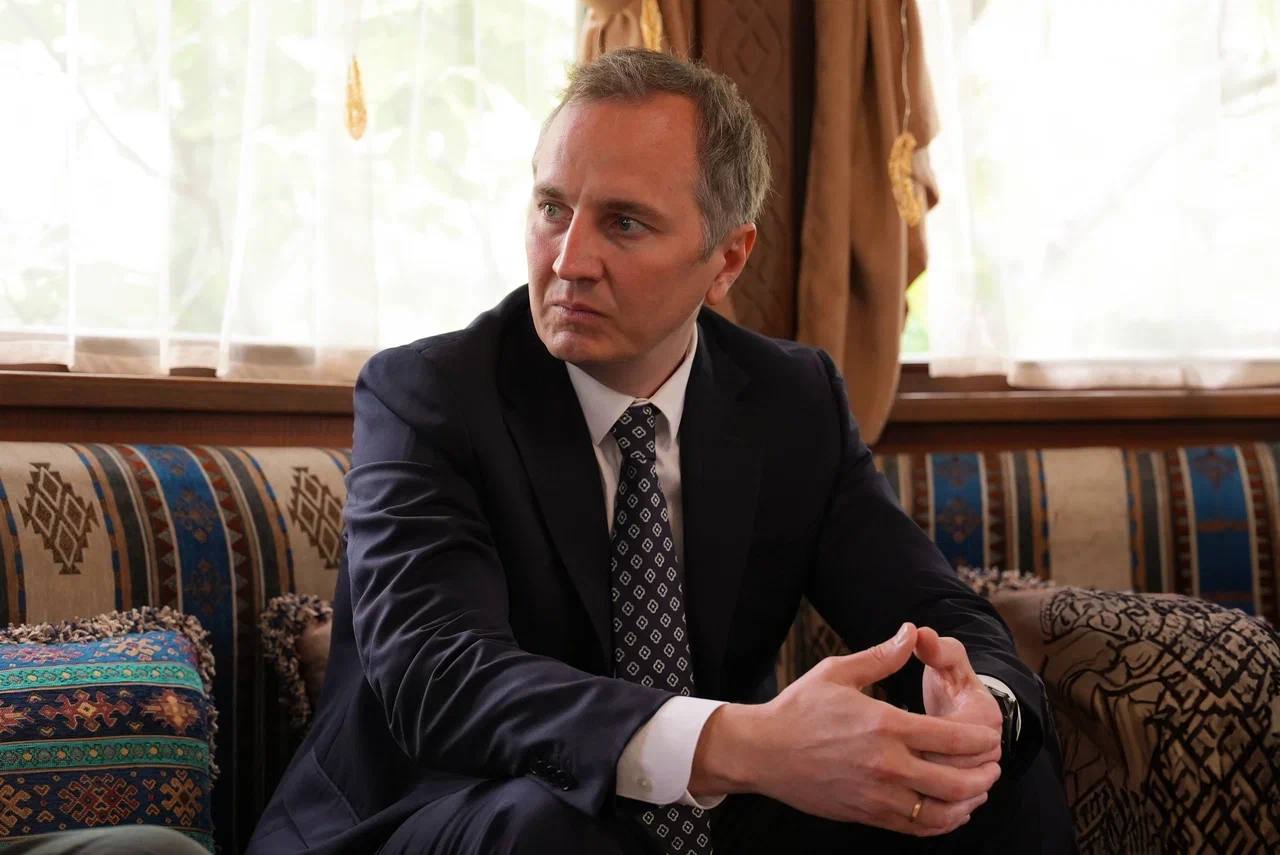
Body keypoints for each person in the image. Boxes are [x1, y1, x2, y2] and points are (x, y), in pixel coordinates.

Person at [248, 48, 1075, 854]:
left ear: (727, 259)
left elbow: (935, 607)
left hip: (704, 815)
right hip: (438, 811)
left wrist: (979, 707)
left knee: (976, 779)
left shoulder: (791, 400)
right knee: (551, 828)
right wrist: (745, 742)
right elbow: (440, 675)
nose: (569, 261)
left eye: (624, 223)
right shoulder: (428, 395)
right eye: (552, 209)